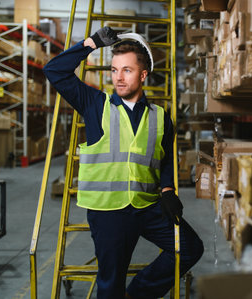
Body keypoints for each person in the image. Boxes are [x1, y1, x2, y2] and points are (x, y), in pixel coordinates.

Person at [43, 27, 204, 299]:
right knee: (110, 282)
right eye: (114, 69)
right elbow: (54, 71)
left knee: (190, 248)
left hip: (147, 205)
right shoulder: (95, 104)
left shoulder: (161, 117)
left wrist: (167, 189)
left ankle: (137, 295)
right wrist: (91, 43)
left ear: (143, 74)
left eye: (127, 70)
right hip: (108, 211)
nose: (118, 77)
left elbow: (164, 159)